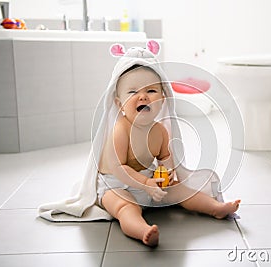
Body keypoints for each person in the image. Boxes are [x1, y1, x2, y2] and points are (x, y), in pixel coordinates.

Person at [97, 61, 241, 247]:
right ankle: (143, 231)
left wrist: (167, 173)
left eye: (151, 91)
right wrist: (146, 184)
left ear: (163, 100)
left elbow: (165, 159)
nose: (143, 97)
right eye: (133, 92)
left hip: (148, 182)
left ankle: (216, 208)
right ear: (119, 104)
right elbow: (118, 168)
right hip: (115, 186)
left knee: (180, 190)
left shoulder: (160, 131)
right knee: (126, 208)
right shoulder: (121, 130)